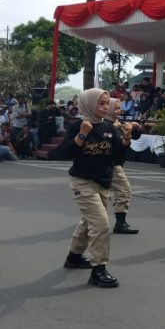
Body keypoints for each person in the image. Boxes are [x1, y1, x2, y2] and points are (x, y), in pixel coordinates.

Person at [59, 88, 132, 288]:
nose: (105, 107)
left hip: (103, 182)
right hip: (82, 181)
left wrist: (125, 139)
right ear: (88, 104)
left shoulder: (110, 127)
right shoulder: (79, 126)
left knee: (87, 221)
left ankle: (74, 256)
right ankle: (99, 269)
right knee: (101, 224)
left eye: (106, 103)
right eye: (100, 103)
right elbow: (64, 153)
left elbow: (116, 158)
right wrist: (82, 135)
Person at [105, 98, 142, 235]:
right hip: (111, 163)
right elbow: (117, 144)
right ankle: (120, 223)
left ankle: (117, 221)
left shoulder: (116, 123)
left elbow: (132, 137)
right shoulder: (105, 124)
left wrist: (135, 129)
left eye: (119, 108)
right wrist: (126, 132)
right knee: (124, 190)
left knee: (103, 194)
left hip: (116, 163)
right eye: (115, 108)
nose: (118, 111)